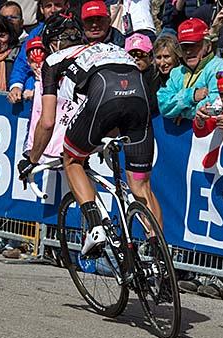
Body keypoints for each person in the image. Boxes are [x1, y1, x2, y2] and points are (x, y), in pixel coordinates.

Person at [17, 11, 162, 256]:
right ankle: (159, 257)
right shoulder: (109, 47)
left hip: (105, 98)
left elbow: (48, 122)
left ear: (53, 43)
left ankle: (95, 227)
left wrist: (32, 159)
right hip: (139, 99)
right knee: (141, 185)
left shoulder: (54, 60)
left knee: (72, 159)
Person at [157, 18, 223, 121]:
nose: (188, 52)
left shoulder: (221, 68)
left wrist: (182, 113)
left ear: (207, 46)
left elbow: (216, 106)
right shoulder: (176, 72)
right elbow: (163, 105)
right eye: (184, 47)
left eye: (194, 46)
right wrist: (191, 96)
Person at [7, 0, 69, 104]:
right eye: (48, 6)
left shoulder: (75, 33)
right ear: (41, 9)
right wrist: (16, 87)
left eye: (57, 5)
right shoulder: (35, 33)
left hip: (61, 98)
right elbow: (21, 64)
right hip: (31, 96)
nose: (53, 10)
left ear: (66, 6)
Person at [125, 32, 158, 113]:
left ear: (150, 57)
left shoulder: (157, 76)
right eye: (131, 55)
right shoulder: (123, 76)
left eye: (140, 54)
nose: (135, 58)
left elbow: (153, 105)